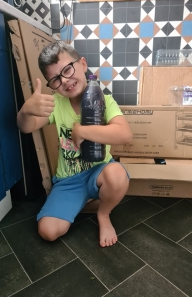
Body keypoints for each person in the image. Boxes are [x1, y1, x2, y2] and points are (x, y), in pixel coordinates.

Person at [17, 41, 132, 247]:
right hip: (68, 180)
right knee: (48, 231)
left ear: (83, 64)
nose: (65, 81)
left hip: (99, 172)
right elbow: (27, 127)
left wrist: (83, 130)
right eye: (55, 79)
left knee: (117, 175)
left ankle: (103, 215)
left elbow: (124, 134)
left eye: (67, 69)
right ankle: (80, 199)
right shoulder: (56, 105)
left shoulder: (105, 101)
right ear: (51, 85)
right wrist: (25, 111)